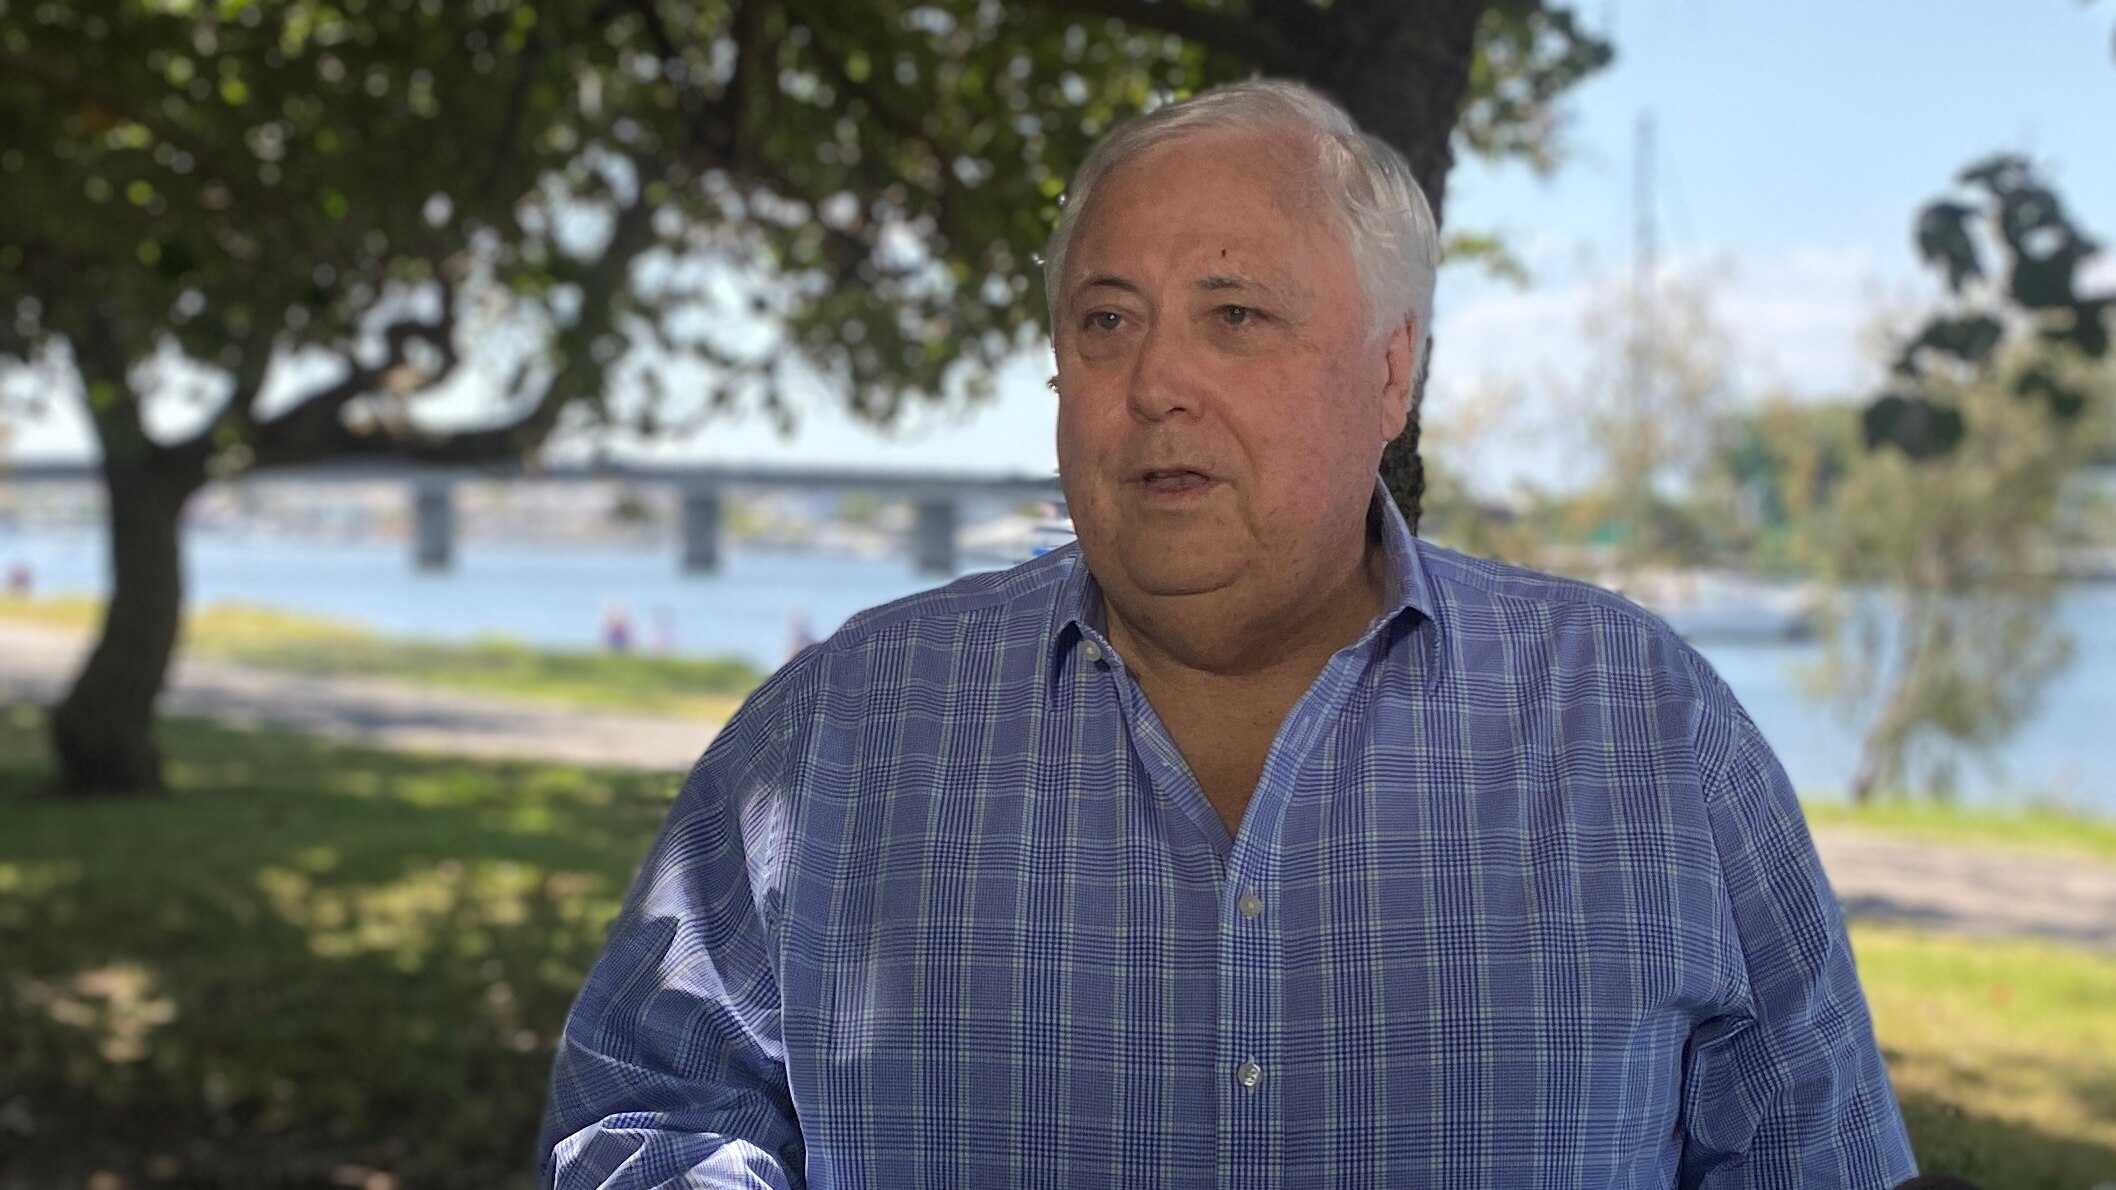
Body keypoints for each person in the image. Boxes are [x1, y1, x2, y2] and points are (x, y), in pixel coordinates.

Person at [539, 80, 1918, 1187]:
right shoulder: (844, 725)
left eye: (1235, 315)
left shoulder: (1643, 727)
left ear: (1393, 371)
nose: (1155, 381)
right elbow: (647, 1114)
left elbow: (1817, 1156)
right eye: (1106, 320)